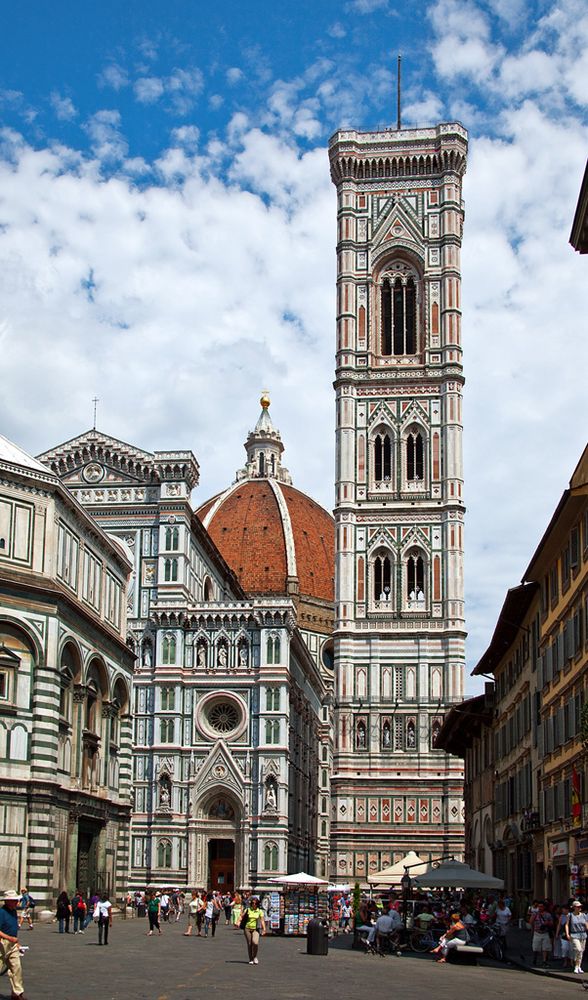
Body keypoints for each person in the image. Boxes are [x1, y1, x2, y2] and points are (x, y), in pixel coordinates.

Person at [0, 889, 26, 999]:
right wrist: (9, 938)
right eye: (14, 900)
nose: (17, 902)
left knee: (17, 967)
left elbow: (13, 928)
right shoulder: (1, 912)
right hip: (2, 943)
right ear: (8, 901)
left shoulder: (14, 911)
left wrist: (17, 942)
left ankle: (17, 993)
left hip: (12, 943)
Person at [566, 900, 588, 974]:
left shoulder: (584, 915)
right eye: (578, 907)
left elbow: (586, 924)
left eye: (580, 907)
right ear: (574, 907)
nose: (579, 908)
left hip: (583, 934)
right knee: (578, 949)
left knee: (581, 951)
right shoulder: (570, 915)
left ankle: (578, 966)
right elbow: (566, 924)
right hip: (574, 934)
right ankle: (576, 965)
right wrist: (567, 934)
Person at [242, 896, 266, 965]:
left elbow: (262, 920)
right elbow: (242, 917)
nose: (254, 905)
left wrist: (264, 929)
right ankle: (251, 959)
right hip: (247, 928)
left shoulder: (260, 911)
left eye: (255, 903)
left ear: (258, 904)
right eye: (252, 903)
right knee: (249, 944)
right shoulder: (248, 910)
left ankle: (255, 956)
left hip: (256, 929)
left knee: (255, 942)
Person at [530, 901, 553, 968]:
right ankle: (535, 958)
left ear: (544, 907)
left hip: (545, 933)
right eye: (539, 906)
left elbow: (552, 923)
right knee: (536, 947)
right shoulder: (535, 914)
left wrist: (547, 923)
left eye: (541, 906)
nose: (540, 908)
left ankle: (544, 961)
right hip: (537, 932)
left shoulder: (548, 915)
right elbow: (531, 922)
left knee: (545, 948)